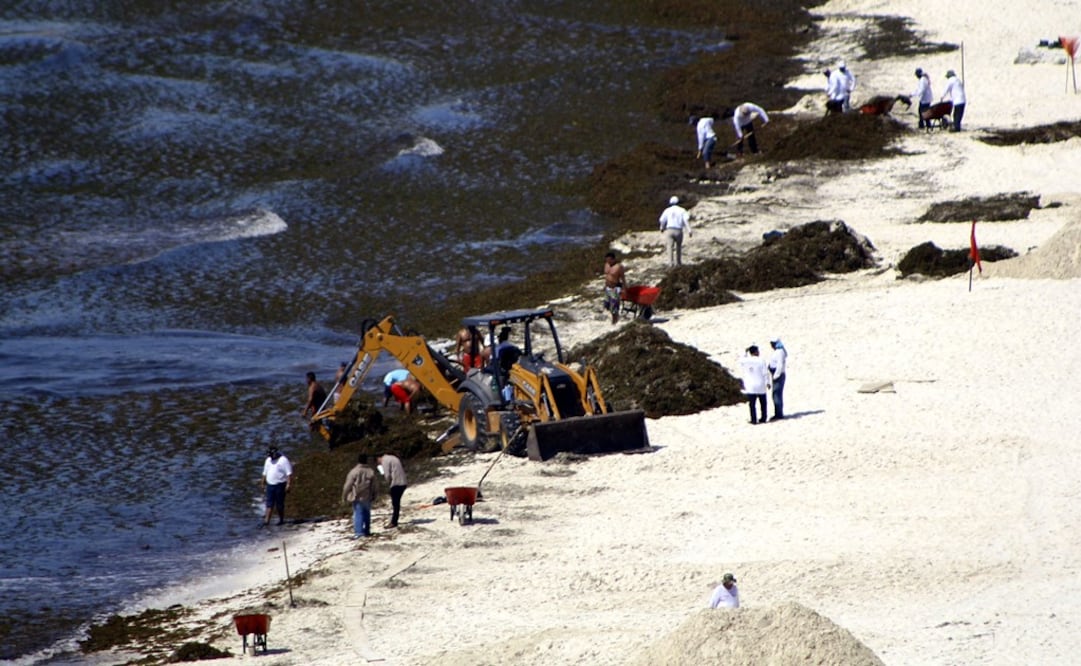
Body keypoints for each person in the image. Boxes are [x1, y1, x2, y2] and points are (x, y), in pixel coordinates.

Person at [342, 453, 377, 538]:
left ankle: (359, 532)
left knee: (358, 514)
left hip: (357, 496)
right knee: (367, 514)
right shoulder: (370, 471)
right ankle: (367, 530)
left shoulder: (354, 471)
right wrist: (374, 494)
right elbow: (374, 485)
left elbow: (347, 485)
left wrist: (344, 496)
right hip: (367, 496)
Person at [261, 446, 293, 527]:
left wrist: (288, 484)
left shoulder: (283, 460)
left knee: (279, 504)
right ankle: (266, 521)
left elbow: (289, 473)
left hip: (280, 485)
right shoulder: (268, 460)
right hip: (270, 485)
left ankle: (281, 520)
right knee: (269, 504)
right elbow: (265, 473)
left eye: (271, 455)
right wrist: (263, 482)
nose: (270, 457)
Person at [739, 345, 770, 425]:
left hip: (750, 385)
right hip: (760, 384)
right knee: (763, 403)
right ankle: (763, 418)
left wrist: (745, 352)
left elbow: (741, 360)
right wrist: (767, 382)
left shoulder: (746, 360)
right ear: (756, 352)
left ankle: (754, 420)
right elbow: (765, 373)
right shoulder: (761, 360)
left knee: (752, 405)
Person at [658, 195, 692, 267]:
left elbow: (662, 220)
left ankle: (670, 263)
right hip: (678, 230)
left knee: (670, 247)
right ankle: (678, 263)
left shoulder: (667, 210)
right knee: (678, 247)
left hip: (670, 230)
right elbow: (686, 220)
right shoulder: (682, 210)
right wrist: (689, 230)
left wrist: (661, 227)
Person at [376, 453, 408, 529]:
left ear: (378, 458)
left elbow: (387, 475)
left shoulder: (385, 461)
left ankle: (394, 522)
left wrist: (386, 483)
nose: (379, 463)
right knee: (396, 503)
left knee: (395, 504)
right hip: (403, 482)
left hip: (396, 483)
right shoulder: (394, 458)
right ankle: (394, 520)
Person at [602, 251, 626, 325]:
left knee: (614, 306)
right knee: (606, 304)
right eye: (607, 260)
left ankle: (614, 320)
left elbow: (623, 278)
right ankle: (614, 317)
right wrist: (605, 285)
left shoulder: (619, 267)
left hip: (615, 288)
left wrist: (624, 288)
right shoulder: (606, 265)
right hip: (607, 287)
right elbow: (606, 276)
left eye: (609, 260)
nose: (608, 261)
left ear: (613, 259)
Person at [768, 338, 788, 421]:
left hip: (778, 375)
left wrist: (776, 376)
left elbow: (780, 365)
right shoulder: (779, 351)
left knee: (776, 395)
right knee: (775, 394)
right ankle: (778, 413)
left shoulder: (780, 352)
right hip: (776, 374)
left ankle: (779, 414)